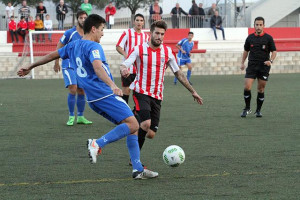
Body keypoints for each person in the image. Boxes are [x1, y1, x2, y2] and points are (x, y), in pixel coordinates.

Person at [17, 14, 158, 180]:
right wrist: (113, 86)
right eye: (101, 30)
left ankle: (137, 169)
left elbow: (52, 55)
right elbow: (98, 68)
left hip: (92, 99)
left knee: (130, 125)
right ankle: (97, 143)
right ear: (93, 29)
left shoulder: (73, 46)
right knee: (134, 124)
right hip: (103, 93)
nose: (103, 34)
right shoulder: (93, 47)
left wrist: (30, 66)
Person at [120, 20, 203, 163]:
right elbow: (125, 63)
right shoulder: (139, 49)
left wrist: (193, 91)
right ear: (151, 33)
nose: (159, 36)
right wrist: (124, 69)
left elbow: (179, 73)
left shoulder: (167, 52)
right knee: (145, 124)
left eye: (162, 34)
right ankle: (135, 158)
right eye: (157, 33)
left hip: (157, 96)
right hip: (141, 92)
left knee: (151, 133)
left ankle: (135, 115)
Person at [53, 10, 92, 126]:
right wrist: (56, 62)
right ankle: (71, 116)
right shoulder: (70, 33)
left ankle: (80, 116)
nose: (83, 20)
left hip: (81, 66)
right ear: (77, 19)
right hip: (68, 64)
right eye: (81, 18)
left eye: (85, 17)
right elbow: (59, 46)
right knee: (73, 88)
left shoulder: (88, 34)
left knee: (81, 90)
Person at [240, 16, 277, 118]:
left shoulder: (268, 38)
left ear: (264, 26)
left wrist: (271, 61)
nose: (258, 27)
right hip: (252, 66)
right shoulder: (250, 38)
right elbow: (246, 51)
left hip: (264, 67)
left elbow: (274, 51)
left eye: (260, 25)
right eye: (257, 25)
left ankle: (258, 111)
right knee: (247, 86)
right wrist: (242, 62)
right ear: (254, 25)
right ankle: (247, 108)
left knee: (260, 89)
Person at [116, 13, 149, 105]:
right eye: (137, 20)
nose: (139, 22)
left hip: (140, 70)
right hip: (127, 69)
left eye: (141, 20)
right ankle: (123, 114)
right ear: (133, 22)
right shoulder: (127, 33)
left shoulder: (146, 36)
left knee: (139, 93)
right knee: (126, 92)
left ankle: (137, 113)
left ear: (143, 22)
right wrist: (126, 56)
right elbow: (118, 46)